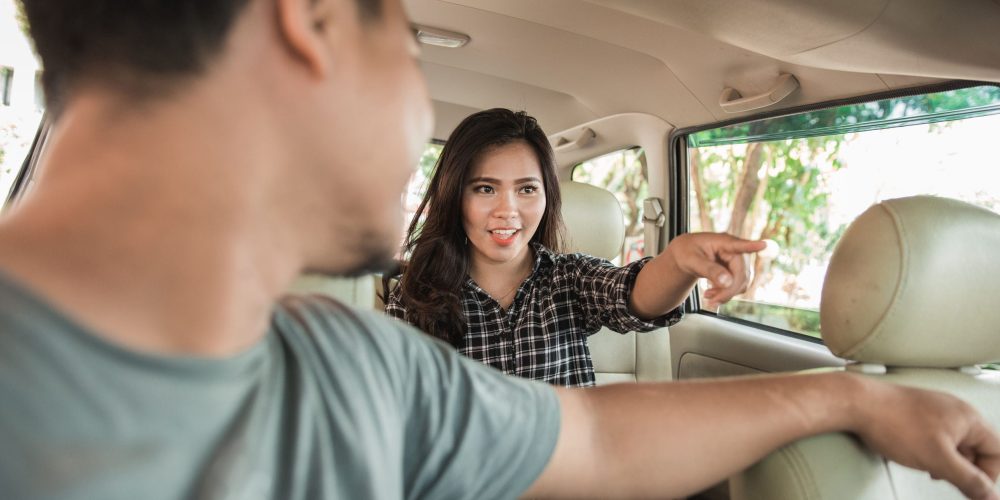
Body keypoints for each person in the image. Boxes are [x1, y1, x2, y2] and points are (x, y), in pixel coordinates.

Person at [0, 0, 997, 499]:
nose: (500, 205)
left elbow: (600, 432)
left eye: (525, 188)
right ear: (307, 21)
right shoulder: (400, 314)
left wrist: (853, 391)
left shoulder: (359, 370)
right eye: (403, 41)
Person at [385, 108, 763, 387]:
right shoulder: (414, 294)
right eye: (485, 188)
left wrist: (681, 260)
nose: (508, 210)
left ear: (547, 196)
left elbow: (634, 295)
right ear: (456, 196)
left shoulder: (571, 278)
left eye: (527, 189)